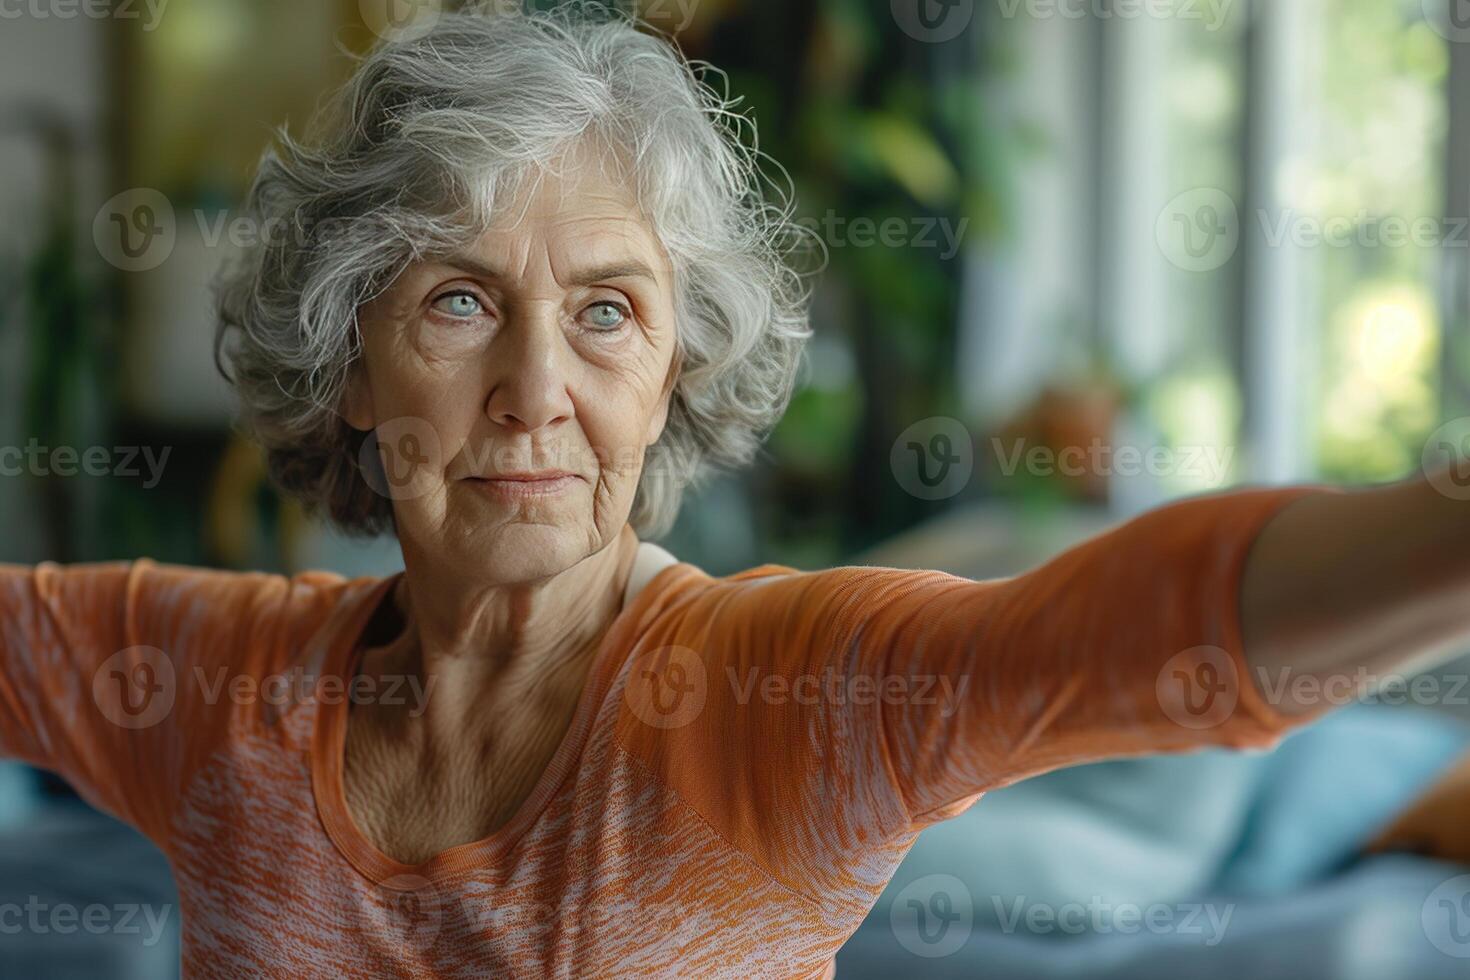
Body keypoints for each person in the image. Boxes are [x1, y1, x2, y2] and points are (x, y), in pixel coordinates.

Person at [3, 6, 1469, 977]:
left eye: (607, 314)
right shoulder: (204, 683)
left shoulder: (769, 700)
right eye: (456, 303)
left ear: (674, 375)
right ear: (349, 365)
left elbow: (1117, 637)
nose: (535, 392)